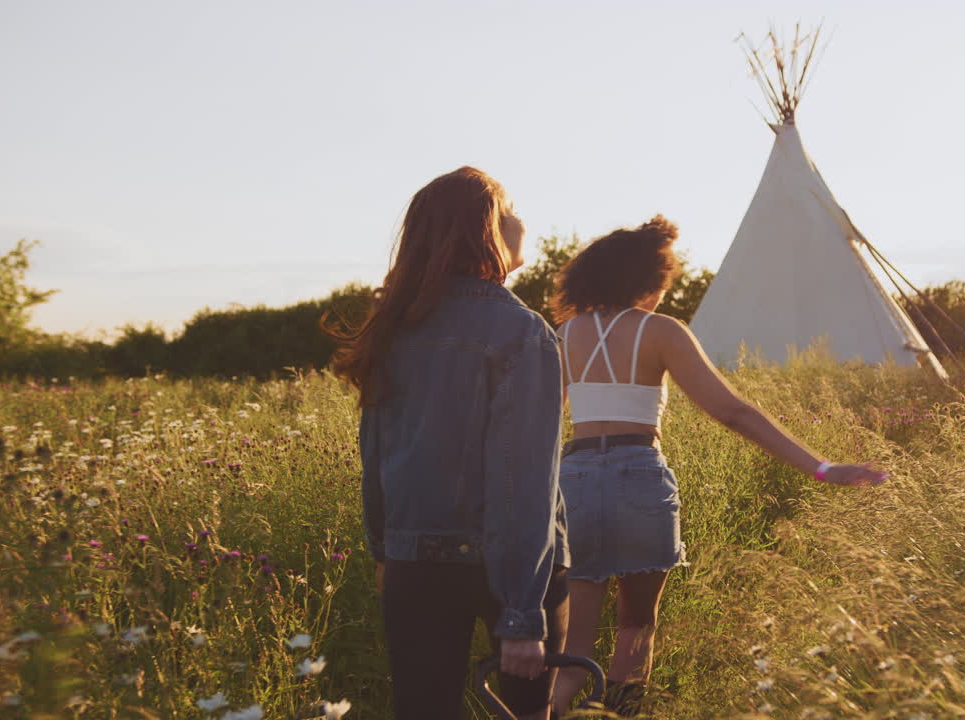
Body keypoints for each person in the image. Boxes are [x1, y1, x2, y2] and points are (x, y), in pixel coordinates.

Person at [548, 216, 887, 717]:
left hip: (572, 478)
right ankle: (620, 713)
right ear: (647, 282)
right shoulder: (660, 331)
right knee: (636, 629)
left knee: (574, 650)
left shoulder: (565, 334)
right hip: (637, 476)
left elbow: (539, 419)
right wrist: (822, 467)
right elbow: (733, 411)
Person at [324, 167, 569, 720]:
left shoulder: (394, 328)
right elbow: (523, 482)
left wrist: (386, 551)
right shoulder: (523, 332)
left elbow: (377, 456)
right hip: (513, 573)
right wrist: (522, 615)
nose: (522, 220)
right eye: (511, 209)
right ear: (488, 230)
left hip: (414, 565)